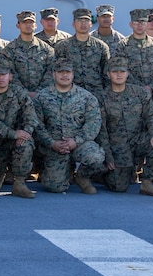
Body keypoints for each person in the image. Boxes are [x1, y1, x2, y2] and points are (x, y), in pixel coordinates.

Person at [96, 57, 153, 197]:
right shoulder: (101, 97)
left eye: (122, 71)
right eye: (115, 72)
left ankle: (147, 183)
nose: (119, 74)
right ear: (108, 74)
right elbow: (101, 130)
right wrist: (108, 156)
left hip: (137, 139)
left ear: (127, 73)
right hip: (117, 145)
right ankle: (100, 174)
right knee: (119, 186)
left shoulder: (139, 93)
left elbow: (152, 115)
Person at [33, 60, 105, 194]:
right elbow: (37, 125)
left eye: (68, 72)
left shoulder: (86, 97)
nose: (64, 75)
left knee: (96, 157)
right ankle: (63, 171)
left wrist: (75, 141)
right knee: (55, 187)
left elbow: (93, 124)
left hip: (79, 143)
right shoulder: (42, 97)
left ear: (73, 74)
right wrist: (52, 143)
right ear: (53, 74)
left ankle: (82, 177)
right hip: (54, 146)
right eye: (60, 72)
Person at [0, 58, 36, 199]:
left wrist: (25, 133)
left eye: (4, 74)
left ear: (10, 76)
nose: (1, 78)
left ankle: (19, 183)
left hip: (16, 141)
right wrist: (14, 134)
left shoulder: (19, 93)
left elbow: (31, 116)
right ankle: (4, 171)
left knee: (26, 144)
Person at [54, 8, 110, 93]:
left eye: (86, 20)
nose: (83, 23)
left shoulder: (101, 46)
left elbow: (107, 73)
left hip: (96, 93)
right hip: (71, 93)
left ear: (91, 24)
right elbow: (56, 72)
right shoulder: (63, 46)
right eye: (80, 20)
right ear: (73, 24)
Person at [0, 10, 55, 98]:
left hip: (42, 96)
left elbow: (50, 72)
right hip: (17, 96)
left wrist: (38, 92)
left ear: (36, 25)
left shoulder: (46, 49)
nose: (28, 25)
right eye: (24, 22)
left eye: (31, 22)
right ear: (18, 25)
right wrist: (24, 93)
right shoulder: (9, 50)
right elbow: (9, 73)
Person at [119, 9, 153, 95]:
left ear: (146, 24)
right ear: (131, 24)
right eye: (136, 22)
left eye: (143, 22)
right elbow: (120, 70)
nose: (140, 25)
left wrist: (151, 87)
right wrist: (139, 88)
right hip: (132, 94)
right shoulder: (123, 46)